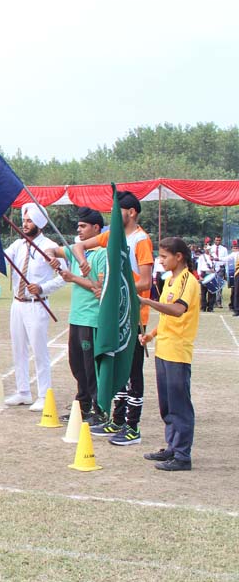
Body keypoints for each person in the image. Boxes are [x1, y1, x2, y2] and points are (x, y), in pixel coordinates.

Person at [74, 190, 154, 445]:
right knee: (116, 366)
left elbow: (145, 282)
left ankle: (133, 427)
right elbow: (78, 245)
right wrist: (83, 261)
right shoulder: (111, 235)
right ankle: (116, 421)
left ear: (131, 212)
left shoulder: (141, 240)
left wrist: (114, 285)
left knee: (133, 373)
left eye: (117, 210)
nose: (112, 214)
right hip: (114, 315)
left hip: (132, 317)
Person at [138, 237, 200, 471]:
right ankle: (172, 447)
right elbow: (165, 319)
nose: (160, 261)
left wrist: (147, 301)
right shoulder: (171, 281)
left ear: (179, 257)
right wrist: (150, 335)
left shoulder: (187, 281)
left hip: (177, 351)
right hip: (163, 349)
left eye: (164, 257)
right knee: (167, 404)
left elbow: (176, 310)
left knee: (179, 404)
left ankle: (183, 455)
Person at [48, 207, 106, 424]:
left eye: (83, 226)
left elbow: (99, 286)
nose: (79, 230)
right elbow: (53, 250)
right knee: (77, 365)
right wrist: (52, 258)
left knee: (92, 367)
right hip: (76, 317)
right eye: (78, 226)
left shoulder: (101, 253)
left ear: (96, 228)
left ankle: (99, 409)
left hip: (92, 317)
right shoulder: (75, 250)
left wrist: (73, 278)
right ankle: (82, 406)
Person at [5, 203, 65, 409]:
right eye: (24, 220)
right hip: (17, 303)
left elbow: (63, 277)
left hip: (36, 305)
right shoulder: (18, 245)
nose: (25, 224)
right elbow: (3, 256)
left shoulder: (50, 246)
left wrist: (42, 288)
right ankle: (23, 391)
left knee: (39, 350)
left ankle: (43, 395)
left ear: (39, 223)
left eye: (29, 221)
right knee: (18, 348)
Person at [195, 245, 217, 312]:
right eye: (207, 249)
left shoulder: (214, 256)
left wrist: (215, 270)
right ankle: (203, 307)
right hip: (204, 273)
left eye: (209, 249)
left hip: (211, 273)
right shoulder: (202, 257)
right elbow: (199, 267)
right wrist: (199, 276)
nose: (208, 250)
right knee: (203, 291)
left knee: (212, 291)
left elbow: (218, 264)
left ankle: (210, 307)